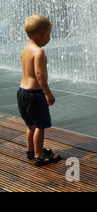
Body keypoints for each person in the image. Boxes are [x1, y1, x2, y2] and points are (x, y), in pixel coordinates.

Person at [17, 14, 61, 167]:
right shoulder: (39, 52)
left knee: (30, 125)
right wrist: (47, 92)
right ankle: (39, 155)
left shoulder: (26, 49)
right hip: (34, 95)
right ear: (45, 35)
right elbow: (39, 75)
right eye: (49, 33)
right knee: (40, 126)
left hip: (22, 92)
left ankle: (31, 150)